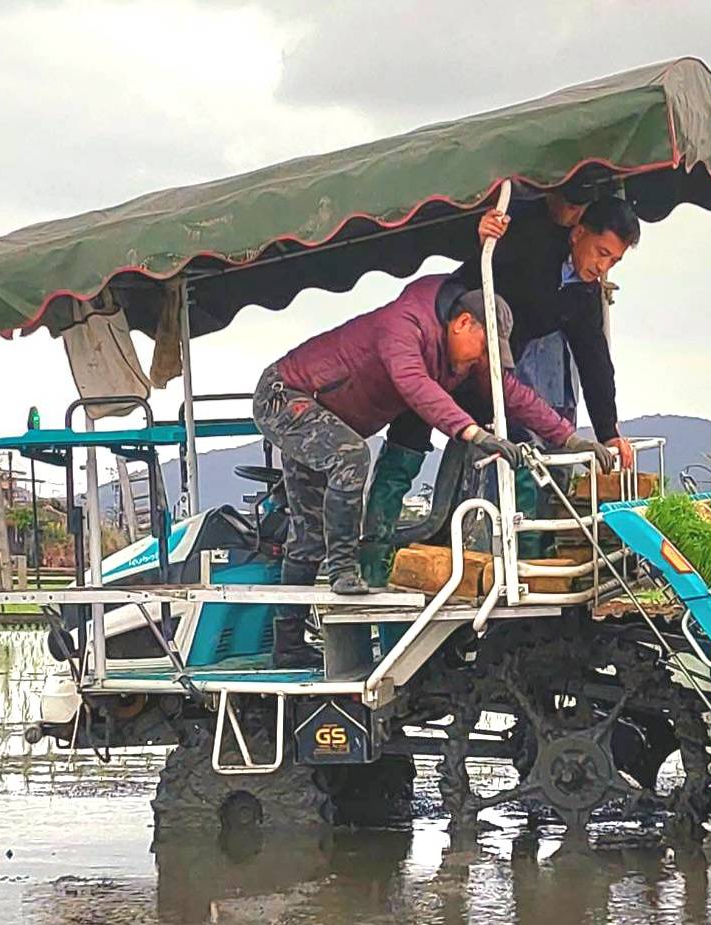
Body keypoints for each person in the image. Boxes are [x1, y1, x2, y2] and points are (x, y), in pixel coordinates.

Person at [253, 274, 614, 669]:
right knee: (352, 457)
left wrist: (570, 439)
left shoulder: (456, 355)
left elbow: (512, 394)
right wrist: (474, 432)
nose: (480, 362)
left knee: (308, 535)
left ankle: (286, 644)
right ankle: (343, 569)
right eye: (482, 350)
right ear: (462, 324)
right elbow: (416, 388)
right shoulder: (402, 327)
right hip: (286, 397)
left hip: (327, 417)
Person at [359, 194, 642, 583]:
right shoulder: (532, 236)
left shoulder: (582, 295)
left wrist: (609, 433)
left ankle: (526, 563)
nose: (602, 266)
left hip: (492, 374)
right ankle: (373, 557)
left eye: (613, 261)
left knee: (520, 447)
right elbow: (478, 256)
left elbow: (594, 363)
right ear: (578, 233)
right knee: (409, 437)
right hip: (448, 346)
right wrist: (479, 231)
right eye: (601, 252)